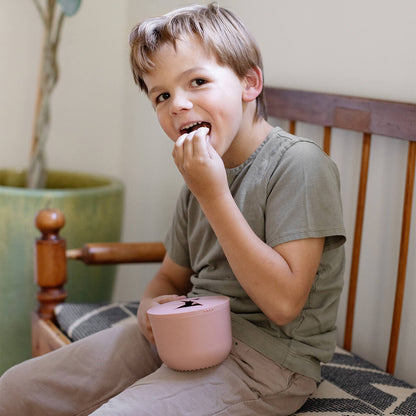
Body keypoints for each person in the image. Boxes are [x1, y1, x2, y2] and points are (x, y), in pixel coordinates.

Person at [0, 3, 345, 415]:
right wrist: (150, 303)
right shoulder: (199, 178)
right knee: (16, 388)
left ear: (250, 83)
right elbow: (171, 275)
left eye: (197, 81)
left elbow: (284, 305)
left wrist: (213, 195)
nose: (177, 104)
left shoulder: (298, 166)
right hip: (189, 332)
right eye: (161, 95)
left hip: (267, 362)